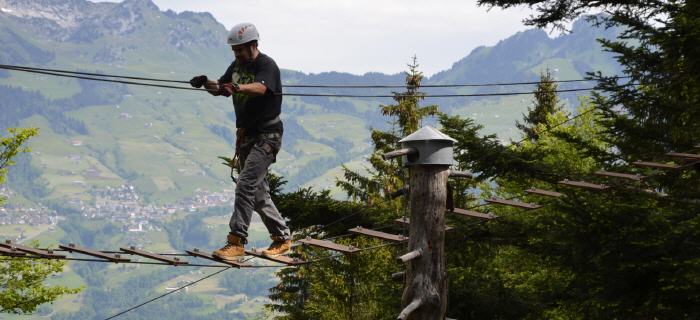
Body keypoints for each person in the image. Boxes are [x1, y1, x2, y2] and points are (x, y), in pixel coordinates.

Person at [189, 22, 291, 261]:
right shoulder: (236, 65)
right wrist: (206, 82)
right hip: (247, 136)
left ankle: (236, 242)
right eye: (234, 51)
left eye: (240, 50)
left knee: (245, 184)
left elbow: (261, 88)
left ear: (253, 46)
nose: (236, 55)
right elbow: (221, 89)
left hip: (268, 135)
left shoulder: (267, 65)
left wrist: (237, 86)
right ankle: (282, 238)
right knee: (257, 194)